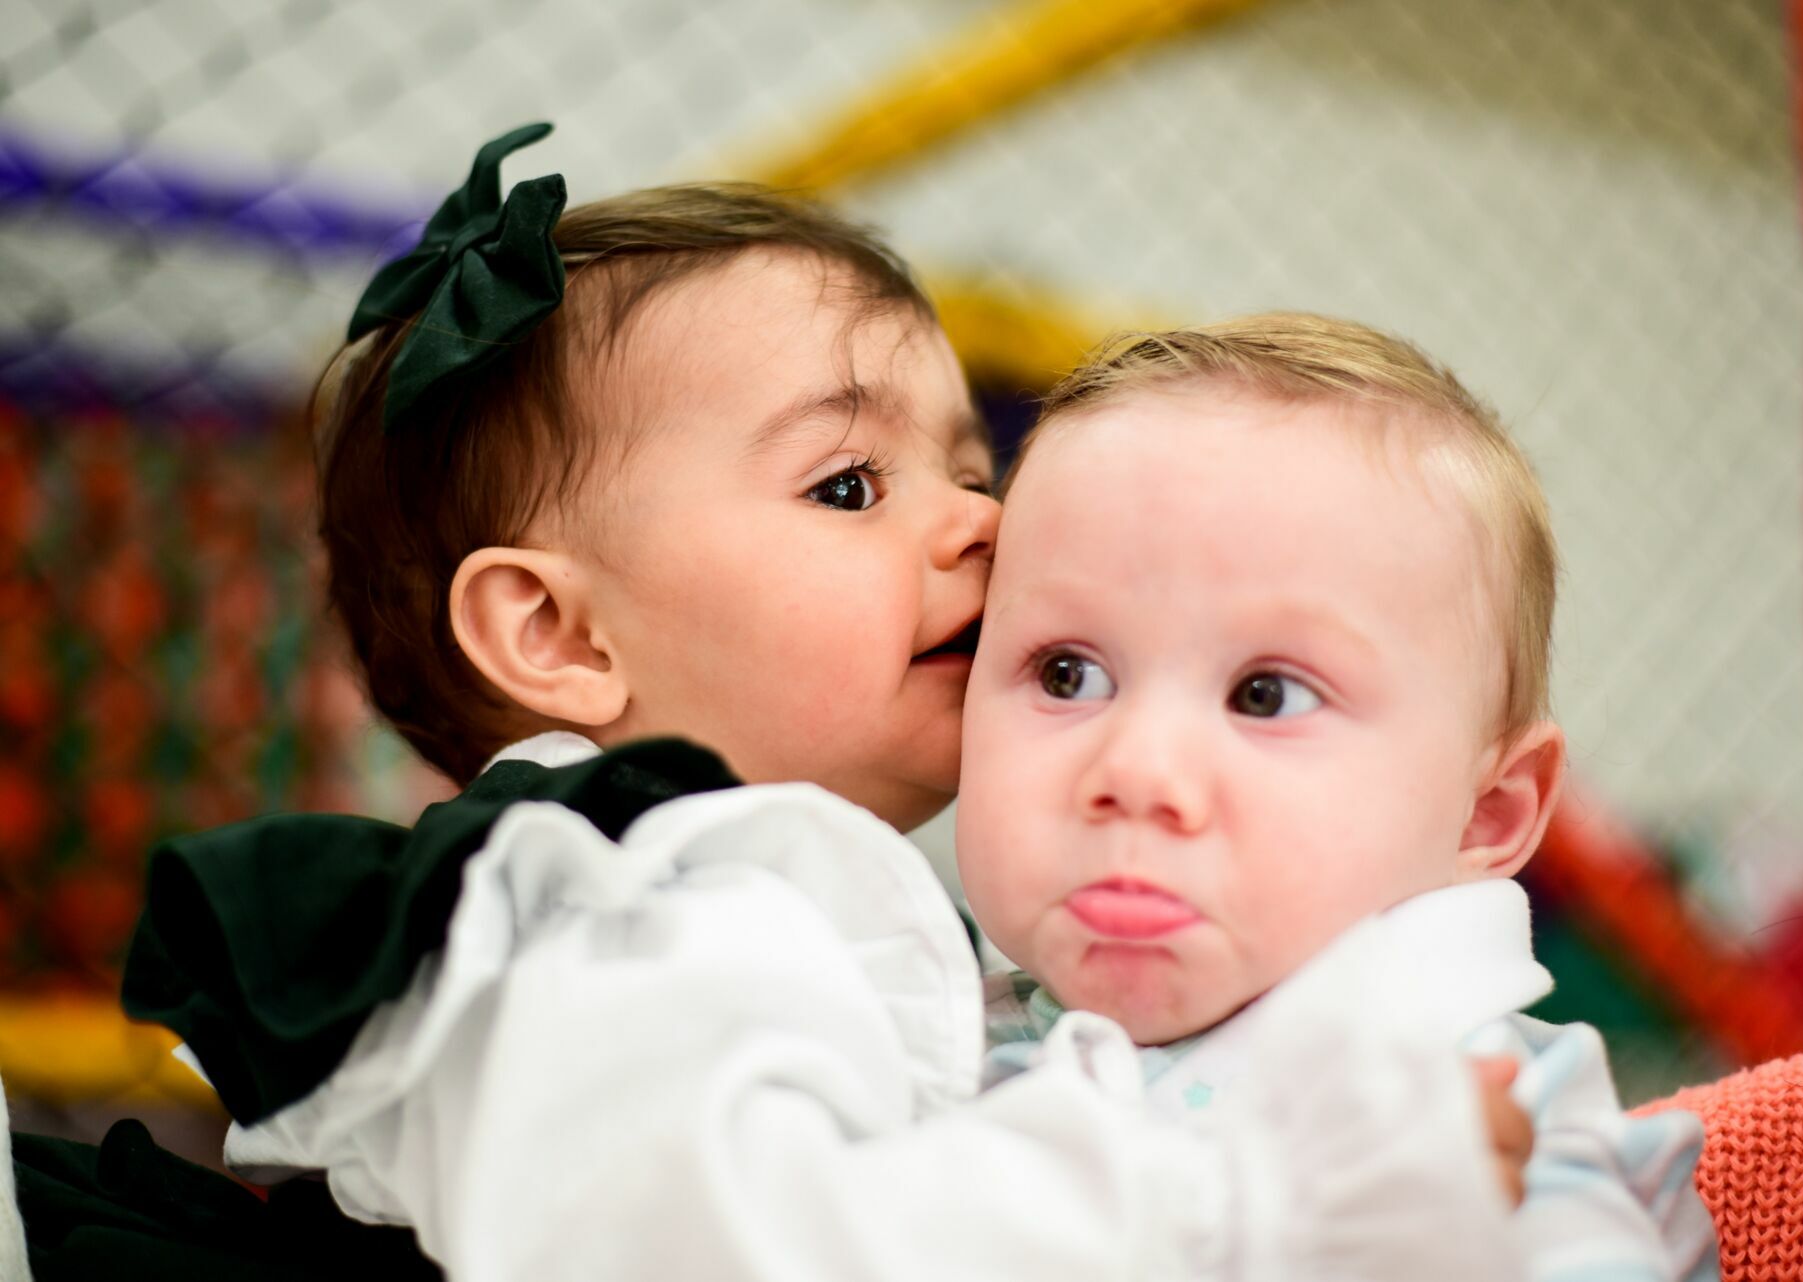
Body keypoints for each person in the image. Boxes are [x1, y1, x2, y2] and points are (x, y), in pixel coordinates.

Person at [15, 127, 1530, 1280]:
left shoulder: (802, 896)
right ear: (555, 632)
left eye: (973, 470)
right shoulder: (624, 904)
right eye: (850, 484)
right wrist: (1261, 1185)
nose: (978, 529)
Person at [954, 314, 1720, 1281]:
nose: (1138, 772)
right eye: (1067, 675)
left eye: (1265, 695)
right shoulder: (926, 1029)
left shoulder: (1477, 1118)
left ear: (1486, 815)